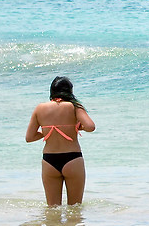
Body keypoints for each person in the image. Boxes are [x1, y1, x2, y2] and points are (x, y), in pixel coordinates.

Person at [25, 76, 96, 206]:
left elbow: (29, 138)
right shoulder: (74, 106)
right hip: (72, 159)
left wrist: (48, 131)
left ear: (52, 91)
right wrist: (79, 127)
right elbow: (91, 127)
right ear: (70, 91)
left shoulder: (40, 108)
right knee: (75, 208)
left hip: (49, 161)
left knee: (52, 209)